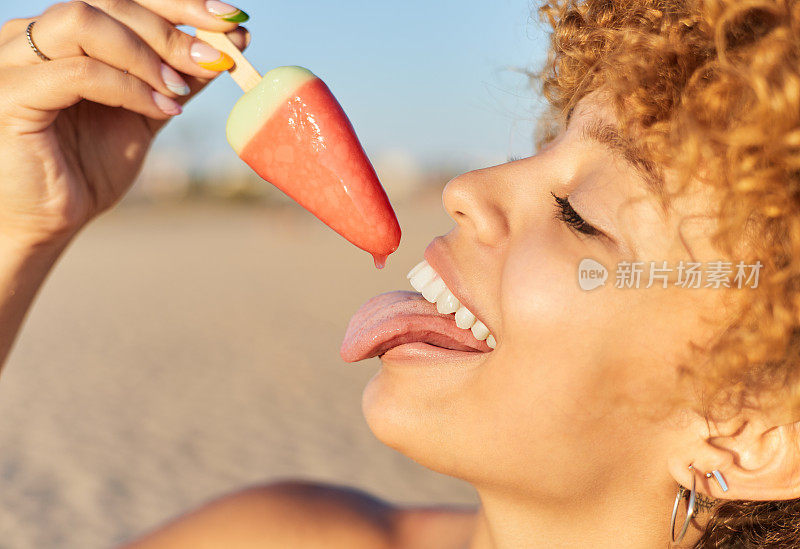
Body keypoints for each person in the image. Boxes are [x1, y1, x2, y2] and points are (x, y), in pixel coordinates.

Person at [1, 0, 800, 547]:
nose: (467, 189)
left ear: (752, 429)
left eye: (580, 213)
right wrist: (18, 227)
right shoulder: (284, 534)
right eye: (546, 140)